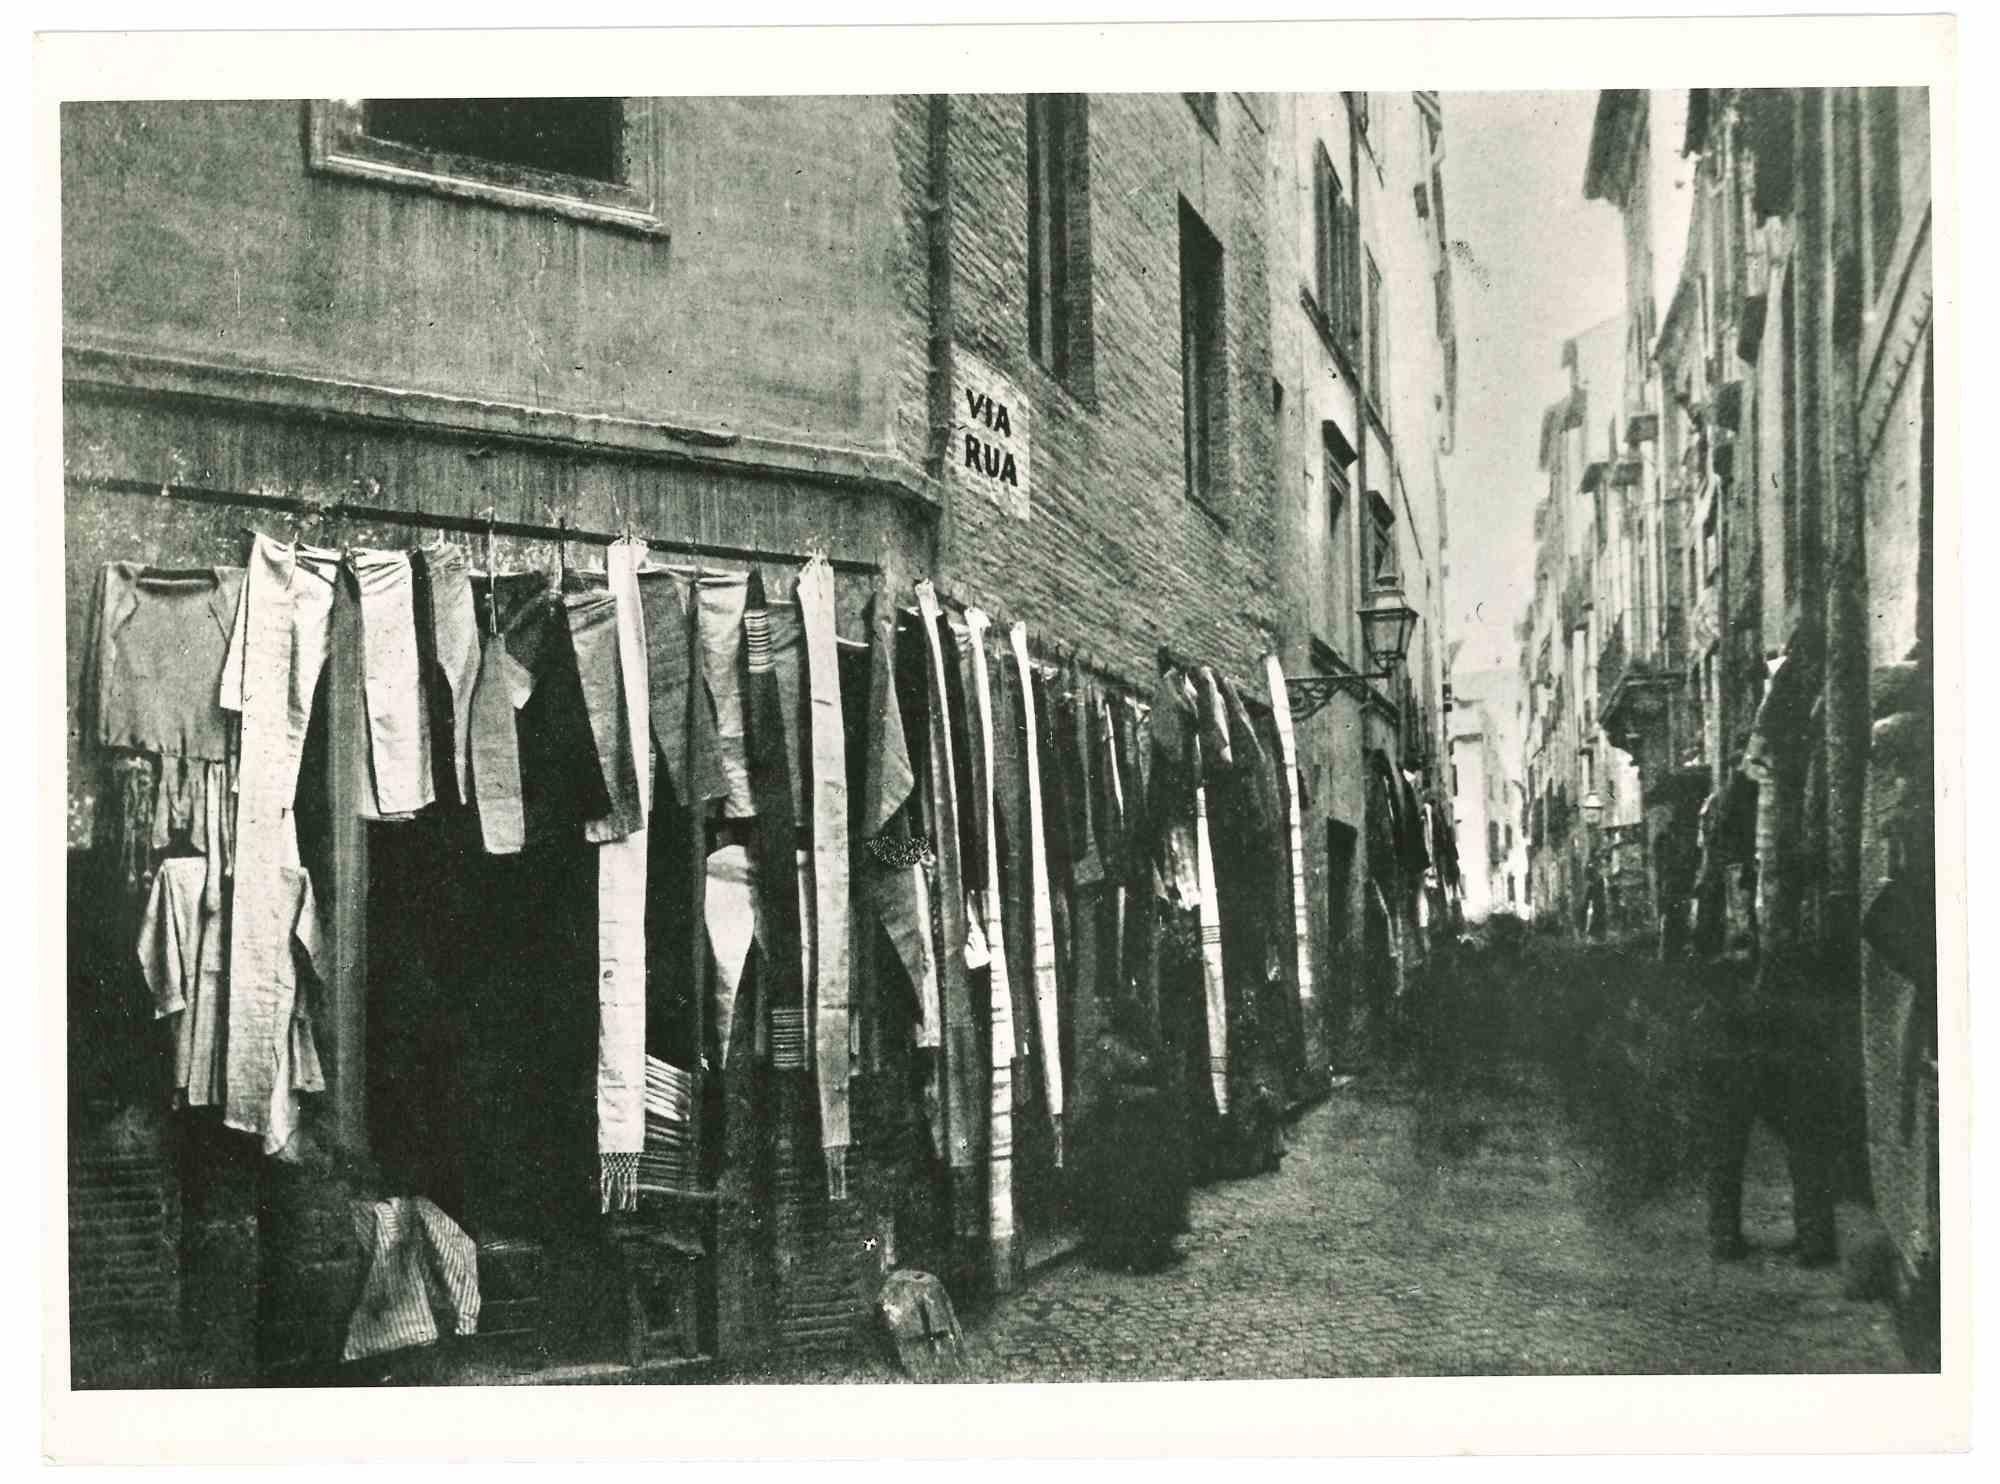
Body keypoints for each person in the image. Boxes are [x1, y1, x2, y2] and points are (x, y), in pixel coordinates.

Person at [1076, 994, 1189, 1273]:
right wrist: (1149, 1094)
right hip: (1122, 1131)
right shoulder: (1108, 1046)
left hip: (1147, 1131)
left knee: (1150, 1191)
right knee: (1129, 1194)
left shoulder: (1136, 1042)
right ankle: (1130, 1253)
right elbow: (1106, 1090)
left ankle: (1153, 1249)